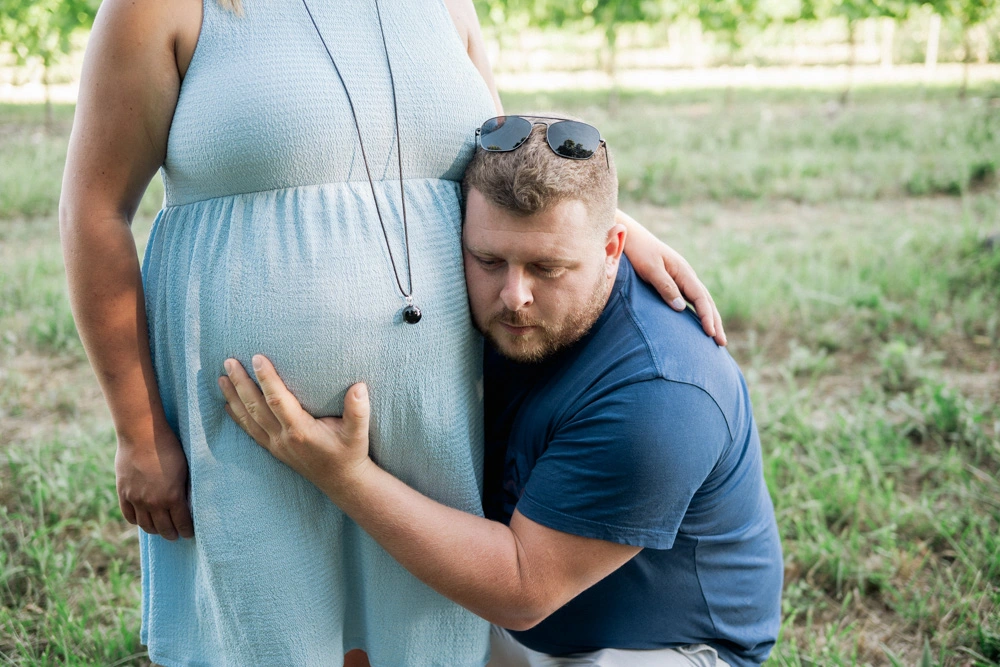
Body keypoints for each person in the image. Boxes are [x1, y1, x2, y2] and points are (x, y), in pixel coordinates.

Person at [59, 0, 726, 663]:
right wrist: (139, 431)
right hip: (250, 416)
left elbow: (496, 165)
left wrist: (608, 233)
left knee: (418, 626)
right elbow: (93, 209)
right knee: (269, 634)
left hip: (429, 417)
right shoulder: (160, 8)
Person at [218, 117, 783, 666]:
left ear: (613, 248)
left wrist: (344, 475)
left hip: (656, 647)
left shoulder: (660, 393)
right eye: (489, 260)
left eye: (547, 267)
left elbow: (521, 589)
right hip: (515, 627)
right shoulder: (491, 290)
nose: (514, 295)